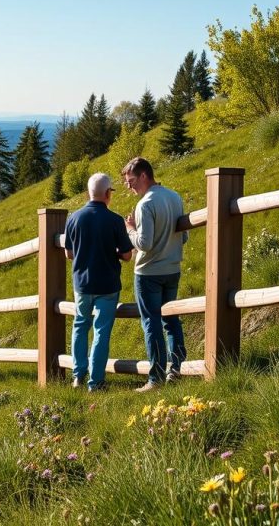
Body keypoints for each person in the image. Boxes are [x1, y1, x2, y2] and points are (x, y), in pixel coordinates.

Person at [122, 157, 188, 393]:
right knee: (171, 320)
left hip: (148, 271)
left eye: (131, 182)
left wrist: (130, 229)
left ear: (143, 176)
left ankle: (156, 377)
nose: (130, 187)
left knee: (151, 323)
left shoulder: (145, 204)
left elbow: (144, 243)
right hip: (173, 268)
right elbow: (184, 235)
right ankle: (177, 369)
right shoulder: (174, 197)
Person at [64, 172, 133, 392]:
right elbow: (127, 255)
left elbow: (68, 253)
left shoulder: (73, 218)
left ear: (88, 193)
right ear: (107, 194)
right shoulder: (114, 220)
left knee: (80, 326)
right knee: (101, 331)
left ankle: (78, 375)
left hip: (82, 284)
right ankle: (96, 381)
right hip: (107, 285)